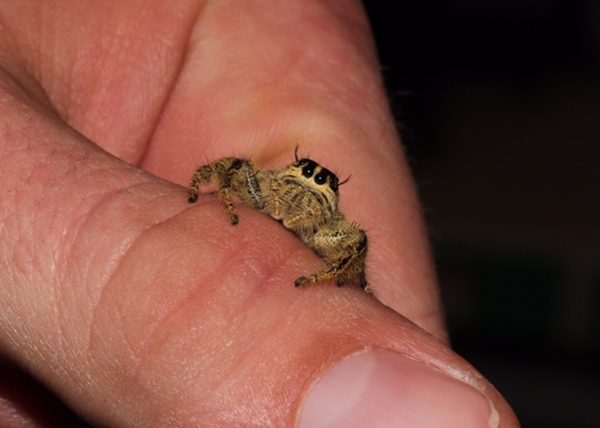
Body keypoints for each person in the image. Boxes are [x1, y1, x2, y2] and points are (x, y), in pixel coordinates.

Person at [0, 1, 519, 426]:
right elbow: (229, 168)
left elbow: (353, 244)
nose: (310, 183)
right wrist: (214, 196)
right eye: (307, 172)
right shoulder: (264, 183)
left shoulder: (331, 225)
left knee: (358, 245)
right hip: (253, 211)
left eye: (323, 181)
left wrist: (337, 278)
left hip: (314, 253)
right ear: (291, 171)